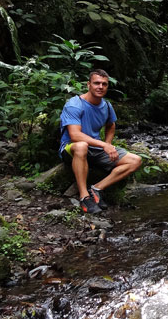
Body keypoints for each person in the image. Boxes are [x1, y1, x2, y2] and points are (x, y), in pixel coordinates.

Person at [59, 69, 142, 214]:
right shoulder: (74, 104)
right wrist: (104, 145)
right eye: (96, 83)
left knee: (135, 160)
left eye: (104, 84)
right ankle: (84, 196)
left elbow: (111, 125)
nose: (100, 87)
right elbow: (75, 135)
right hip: (72, 148)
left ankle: (96, 188)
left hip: (95, 148)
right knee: (82, 146)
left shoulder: (107, 106)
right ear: (88, 85)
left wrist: (108, 144)